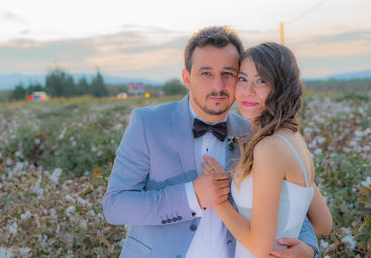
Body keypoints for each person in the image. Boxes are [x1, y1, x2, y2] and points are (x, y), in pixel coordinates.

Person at [103, 26, 321, 258]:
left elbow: (290, 204)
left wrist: (308, 249)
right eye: (206, 73)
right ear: (187, 78)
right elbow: (115, 206)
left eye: (228, 73)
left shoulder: (254, 136)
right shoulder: (148, 123)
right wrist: (191, 196)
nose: (218, 86)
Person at [202, 42, 332, 257]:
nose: (248, 91)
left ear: (281, 87)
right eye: (242, 79)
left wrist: (218, 199)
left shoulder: (269, 148)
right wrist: (307, 249)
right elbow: (323, 223)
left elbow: (260, 248)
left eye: (261, 81)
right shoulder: (292, 138)